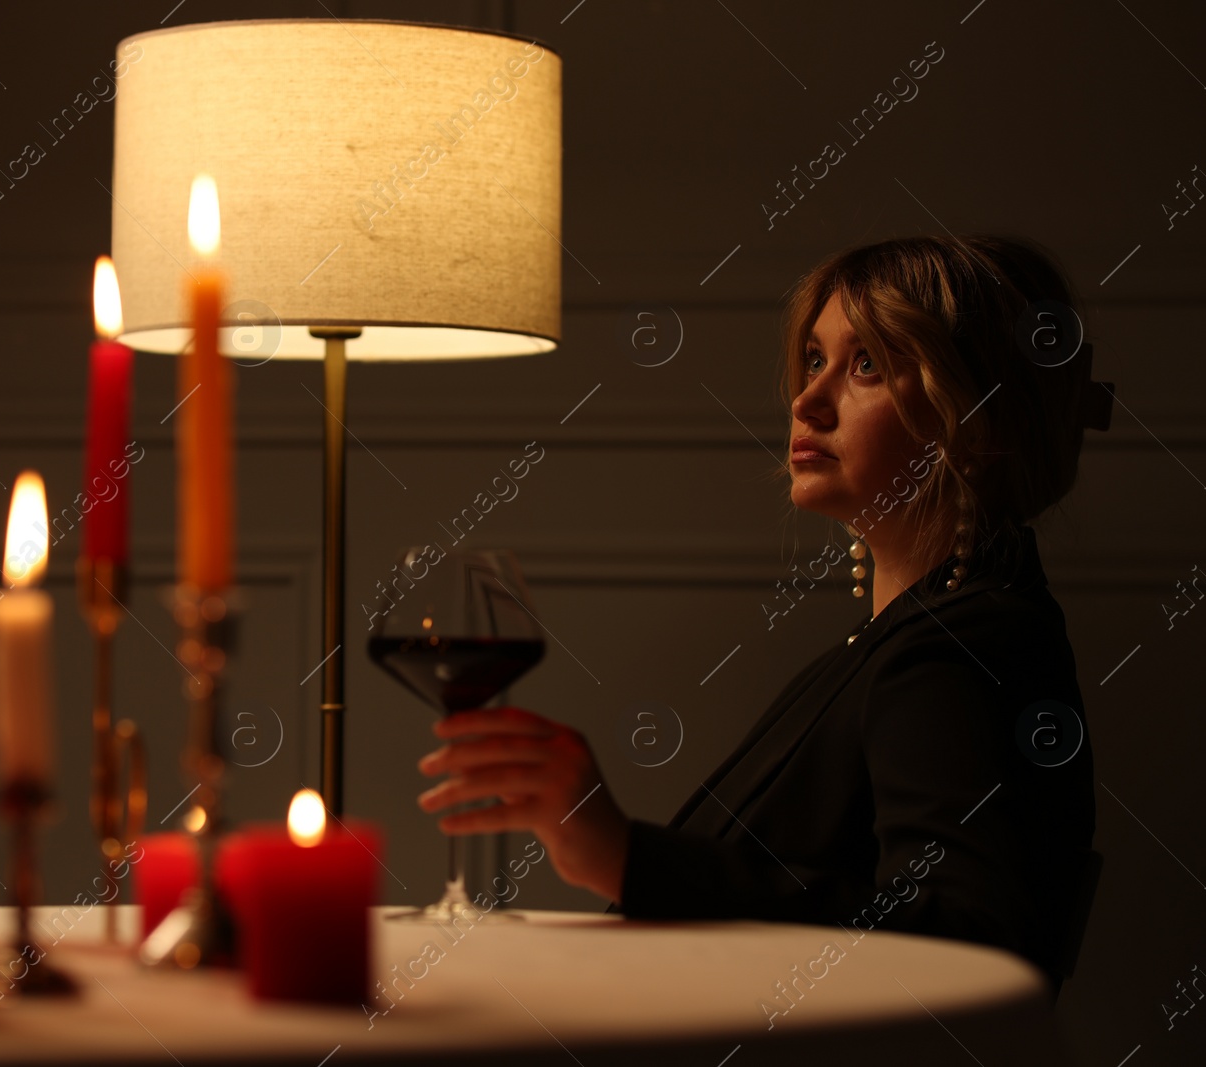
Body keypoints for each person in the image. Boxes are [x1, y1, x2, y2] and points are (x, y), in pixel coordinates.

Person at [416, 233, 1114, 995]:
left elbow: (966, 939)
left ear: (976, 426)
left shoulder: (960, 648)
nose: (807, 400)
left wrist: (629, 856)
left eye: (867, 365)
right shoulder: (909, 638)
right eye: (815, 359)